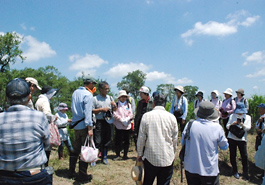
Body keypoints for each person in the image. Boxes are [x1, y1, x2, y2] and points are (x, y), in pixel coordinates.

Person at [0, 78, 52, 184]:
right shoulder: (40, 117)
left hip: (5, 176)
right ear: (29, 97)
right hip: (35, 176)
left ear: (6, 98)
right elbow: (47, 145)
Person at [182, 101, 229, 185]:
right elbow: (224, 147)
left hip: (191, 167)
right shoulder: (217, 128)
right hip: (209, 170)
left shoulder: (190, 124)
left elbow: (183, 142)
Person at [137, 92, 178, 185]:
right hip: (167, 158)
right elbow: (174, 139)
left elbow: (141, 137)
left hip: (150, 157)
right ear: (165, 104)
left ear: (153, 103)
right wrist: (173, 153)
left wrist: (139, 154)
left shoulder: (146, 116)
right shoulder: (172, 117)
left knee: (147, 182)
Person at [69, 76, 95, 183]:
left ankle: (71, 171)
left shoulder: (75, 92)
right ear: (89, 83)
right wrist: (90, 128)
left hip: (76, 125)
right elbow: (88, 112)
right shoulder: (88, 95)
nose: (94, 86)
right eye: (93, 84)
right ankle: (82, 175)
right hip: (84, 125)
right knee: (85, 151)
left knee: (76, 150)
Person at [93, 81, 117, 165]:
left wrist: (115, 106)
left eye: (108, 89)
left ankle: (104, 157)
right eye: (106, 89)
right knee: (98, 141)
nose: (107, 90)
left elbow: (115, 110)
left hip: (108, 121)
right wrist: (101, 110)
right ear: (100, 89)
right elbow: (92, 110)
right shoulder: (95, 99)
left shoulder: (110, 98)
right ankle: (94, 158)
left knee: (107, 140)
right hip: (99, 122)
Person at [226, 102, 251, 180]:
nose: (240, 113)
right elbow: (227, 126)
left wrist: (241, 124)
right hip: (232, 138)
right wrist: (232, 124)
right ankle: (235, 171)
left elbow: (248, 128)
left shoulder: (247, 117)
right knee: (233, 154)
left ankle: (245, 173)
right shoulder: (232, 116)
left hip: (242, 139)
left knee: (244, 156)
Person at [35, 85, 59, 167]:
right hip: (45, 126)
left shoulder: (38, 100)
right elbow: (47, 114)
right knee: (47, 148)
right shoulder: (45, 101)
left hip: (38, 126)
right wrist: (54, 117)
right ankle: (44, 166)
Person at [113, 90, 134, 160]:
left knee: (126, 141)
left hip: (127, 126)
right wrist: (121, 120)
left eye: (125, 97)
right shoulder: (116, 105)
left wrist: (127, 119)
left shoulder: (128, 105)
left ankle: (125, 155)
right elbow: (114, 114)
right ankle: (117, 154)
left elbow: (131, 114)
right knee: (118, 140)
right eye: (122, 97)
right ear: (119, 98)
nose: (123, 98)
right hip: (119, 125)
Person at [134, 86, 153, 150]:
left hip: (149, 123)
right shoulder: (139, 102)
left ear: (146, 94)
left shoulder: (152, 102)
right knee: (138, 137)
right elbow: (137, 113)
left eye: (141, 93)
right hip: (140, 122)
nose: (140, 95)